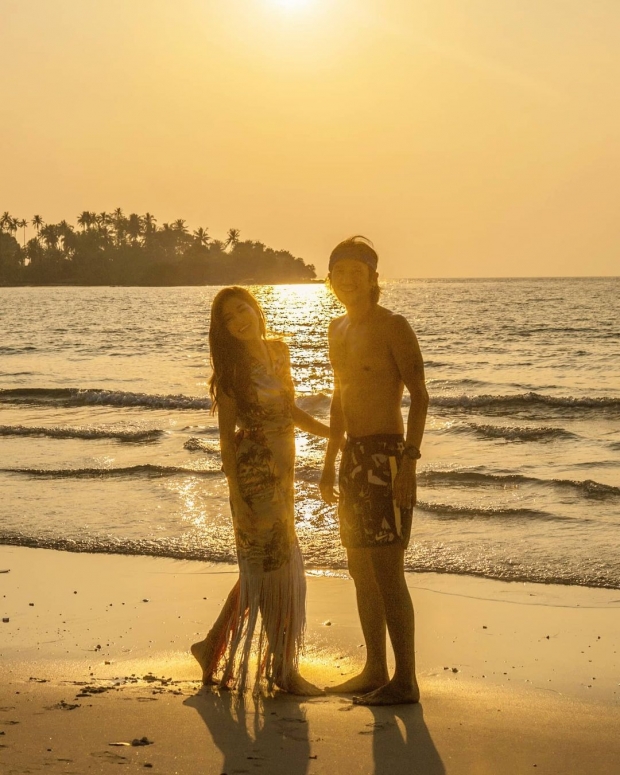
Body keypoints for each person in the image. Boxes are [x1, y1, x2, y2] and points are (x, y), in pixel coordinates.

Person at [191, 286, 328, 696]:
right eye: (229, 318)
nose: (239, 319)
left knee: (262, 568)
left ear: (256, 308)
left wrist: (334, 433)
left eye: (242, 309)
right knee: (275, 568)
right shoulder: (232, 371)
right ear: (225, 330)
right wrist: (239, 496)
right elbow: (226, 436)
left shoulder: (279, 352)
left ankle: (213, 643)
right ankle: (282, 671)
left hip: (283, 473)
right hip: (253, 478)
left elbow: (289, 411)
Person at [319, 236, 429, 706]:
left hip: (387, 456)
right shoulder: (336, 329)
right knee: (360, 570)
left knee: (388, 572)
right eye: (339, 271)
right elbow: (340, 400)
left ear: (372, 277)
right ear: (331, 279)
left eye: (356, 271)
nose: (347, 279)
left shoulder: (393, 326)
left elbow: (420, 397)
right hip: (353, 459)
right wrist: (328, 463)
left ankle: (406, 681)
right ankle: (374, 670)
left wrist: (408, 462)